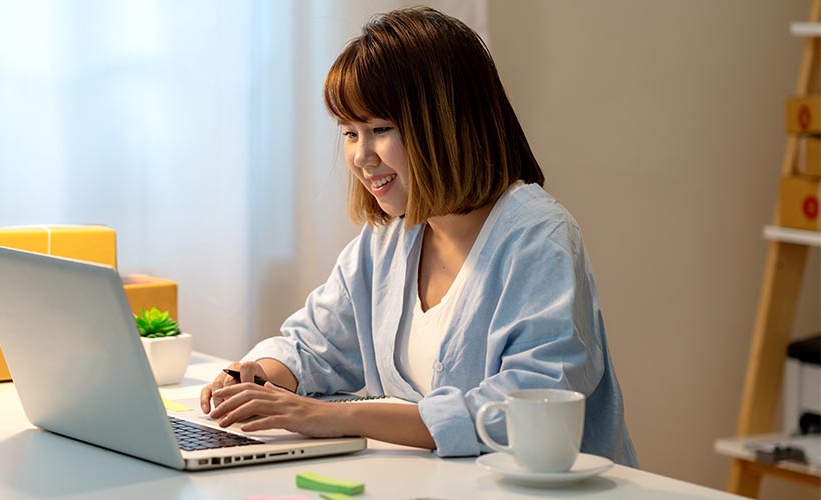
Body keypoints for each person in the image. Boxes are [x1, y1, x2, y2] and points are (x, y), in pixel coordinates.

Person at [199, 6, 638, 467]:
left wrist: (338, 416)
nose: (361, 156)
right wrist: (254, 377)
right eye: (349, 133)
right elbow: (313, 346)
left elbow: (523, 408)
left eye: (380, 130)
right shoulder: (386, 242)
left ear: (445, 125)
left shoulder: (537, 239)